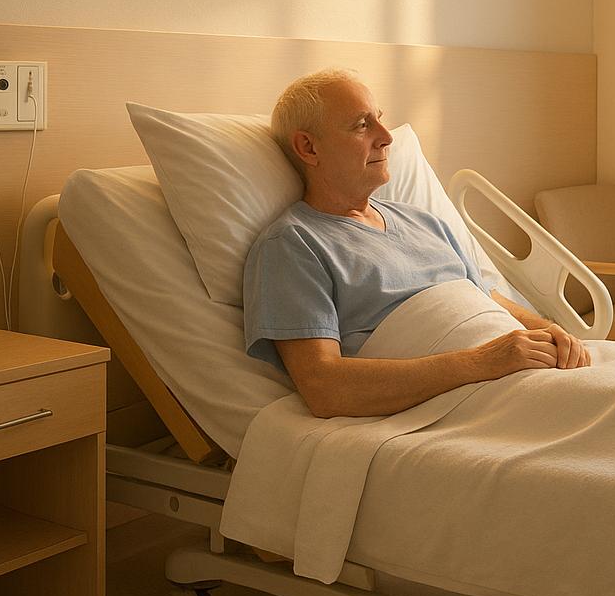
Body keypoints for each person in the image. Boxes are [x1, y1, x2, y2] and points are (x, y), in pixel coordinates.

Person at [243, 69, 590, 419]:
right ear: (309, 147)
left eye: (379, 120)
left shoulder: (424, 221)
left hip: (525, 376)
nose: (386, 138)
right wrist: (481, 361)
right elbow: (325, 388)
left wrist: (548, 330)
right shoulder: (294, 244)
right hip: (468, 402)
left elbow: (488, 298)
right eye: (362, 126)